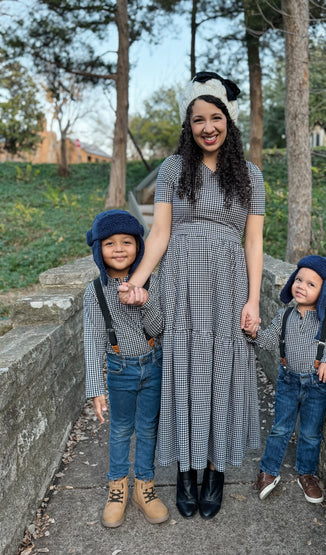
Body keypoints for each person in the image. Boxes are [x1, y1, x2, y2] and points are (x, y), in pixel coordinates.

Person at [118, 71, 265, 519]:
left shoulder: (251, 175)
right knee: (184, 369)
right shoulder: (172, 169)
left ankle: (215, 470)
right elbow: (159, 233)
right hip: (180, 280)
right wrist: (140, 278)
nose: (207, 127)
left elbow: (254, 241)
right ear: (189, 123)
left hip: (228, 282)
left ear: (228, 121)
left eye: (215, 117)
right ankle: (185, 469)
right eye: (198, 119)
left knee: (222, 370)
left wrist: (253, 299)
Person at [83, 209, 169, 528]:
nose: (119, 249)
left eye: (127, 242)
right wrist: (95, 390)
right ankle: (117, 487)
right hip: (120, 370)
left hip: (153, 364)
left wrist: (145, 300)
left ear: (139, 246)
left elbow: (160, 328)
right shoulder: (95, 293)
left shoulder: (154, 282)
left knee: (148, 428)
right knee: (120, 429)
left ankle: (144, 488)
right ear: (98, 250)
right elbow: (91, 341)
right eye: (110, 243)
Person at [246, 255, 326, 504]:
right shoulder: (284, 316)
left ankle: (307, 474)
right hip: (288, 380)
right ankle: (268, 472)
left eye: (311, 284)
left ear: (324, 292)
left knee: (310, 432)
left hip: (316, 384)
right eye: (299, 280)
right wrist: (254, 333)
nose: (301, 286)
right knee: (280, 428)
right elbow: (268, 342)